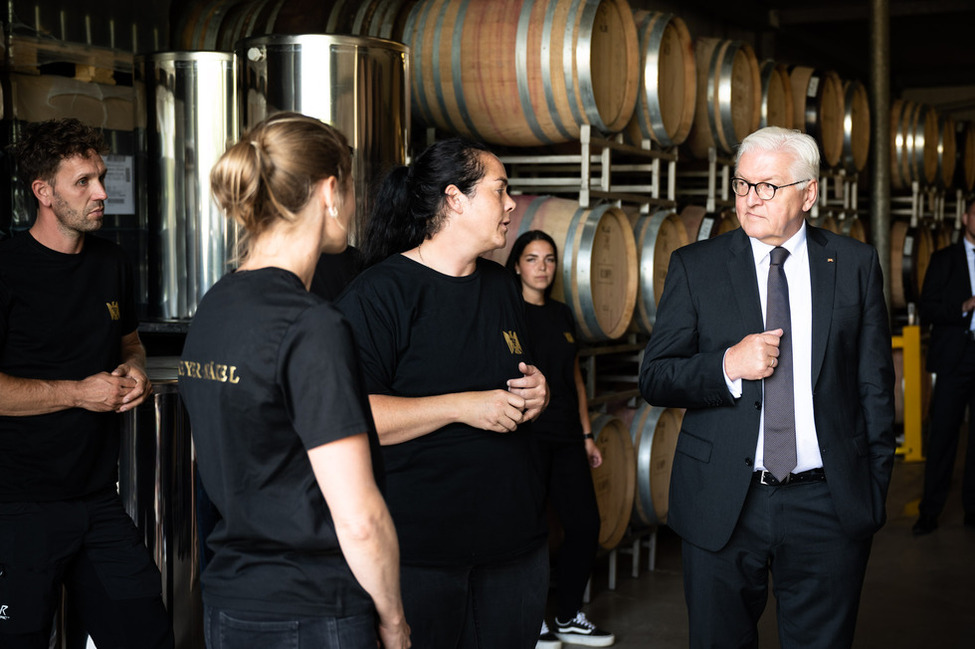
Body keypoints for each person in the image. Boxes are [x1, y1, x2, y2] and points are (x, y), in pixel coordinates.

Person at [639, 126, 895, 648]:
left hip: (828, 501)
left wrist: (870, 492)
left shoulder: (853, 264)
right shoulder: (697, 266)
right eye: (741, 184)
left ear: (809, 192)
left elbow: (875, 386)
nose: (750, 199)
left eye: (767, 186)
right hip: (724, 503)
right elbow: (656, 375)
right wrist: (728, 365)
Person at [178, 112, 410, 649]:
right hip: (313, 610)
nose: (354, 204)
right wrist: (395, 622)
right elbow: (358, 517)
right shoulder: (312, 324)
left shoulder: (214, 306)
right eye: (351, 188)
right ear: (331, 190)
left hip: (230, 604)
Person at [336, 137, 550, 649]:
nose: (510, 205)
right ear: (455, 198)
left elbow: (510, 377)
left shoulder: (501, 286)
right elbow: (354, 417)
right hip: (421, 554)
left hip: (515, 546)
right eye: (500, 191)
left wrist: (537, 392)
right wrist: (463, 406)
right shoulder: (378, 294)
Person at [0, 118, 174, 648]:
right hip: (17, 506)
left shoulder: (111, 262)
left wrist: (135, 372)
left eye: (100, 177)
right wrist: (78, 392)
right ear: (43, 192)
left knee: (147, 635)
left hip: (98, 499)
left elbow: (129, 342)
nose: (102, 193)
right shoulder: (6, 269)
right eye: (84, 182)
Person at [505, 230, 614, 648]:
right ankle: (531, 623)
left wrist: (587, 435)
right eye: (532, 259)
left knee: (585, 525)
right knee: (529, 533)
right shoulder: (510, 315)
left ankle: (568, 615)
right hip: (526, 437)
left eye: (549, 259)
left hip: (568, 436)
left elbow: (574, 381)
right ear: (516, 264)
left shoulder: (563, 314)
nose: (542, 268)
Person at [913, 195, 975, 535]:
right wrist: (964, 306)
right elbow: (928, 308)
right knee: (943, 437)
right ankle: (930, 511)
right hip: (954, 358)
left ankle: (973, 509)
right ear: (965, 218)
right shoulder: (943, 259)